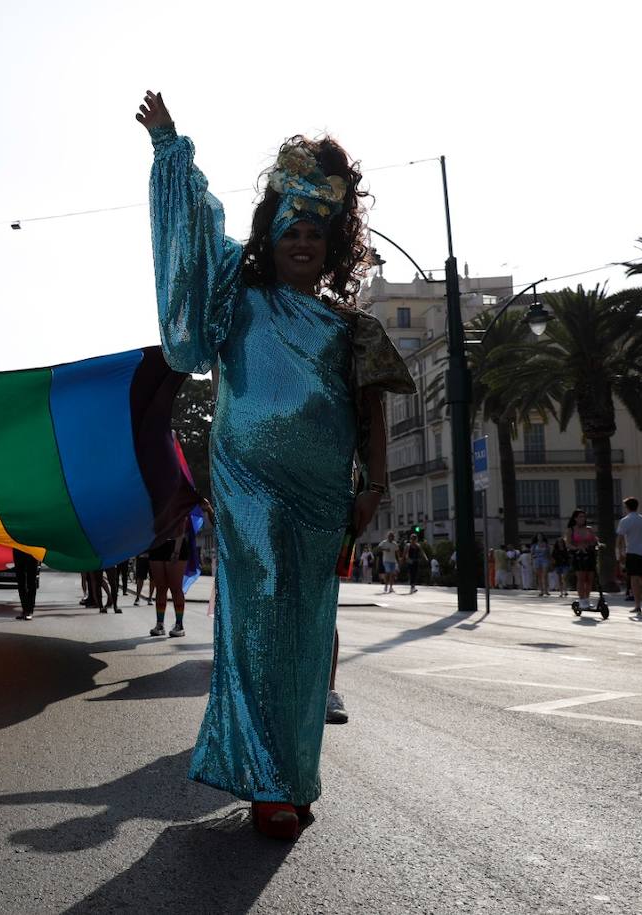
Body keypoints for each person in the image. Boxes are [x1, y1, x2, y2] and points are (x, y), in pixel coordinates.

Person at [140, 92, 413, 839]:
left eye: (316, 236)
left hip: (324, 494)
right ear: (274, 233)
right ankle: (267, 781)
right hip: (249, 485)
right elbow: (198, 232)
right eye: (292, 229)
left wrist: (375, 486)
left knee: (304, 629)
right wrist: (171, 149)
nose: (303, 244)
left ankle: (293, 772)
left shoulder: (349, 326)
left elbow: (371, 414)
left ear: (333, 248)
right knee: (258, 619)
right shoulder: (238, 295)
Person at [616, 497, 642, 616]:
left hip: (632, 552)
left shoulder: (625, 520)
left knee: (634, 579)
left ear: (627, 507)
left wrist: (620, 555)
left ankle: (637, 606)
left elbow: (620, 540)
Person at [565, 509, 598, 604]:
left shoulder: (589, 529)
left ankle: (587, 598)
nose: (583, 519)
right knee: (581, 577)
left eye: (584, 517)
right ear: (575, 518)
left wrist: (595, 544)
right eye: (580, 517)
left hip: (589, 554)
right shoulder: (571, 530)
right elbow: (568, 544)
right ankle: (582, 599)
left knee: (590, 578)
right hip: (578, 555)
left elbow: (594, 540)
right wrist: (576, 548)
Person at [12, 548, 40, 620]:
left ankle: (29, 611)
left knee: (31, 582)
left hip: (32, 551)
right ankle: (24, 610)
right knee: (21, 582)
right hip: (18, 551)